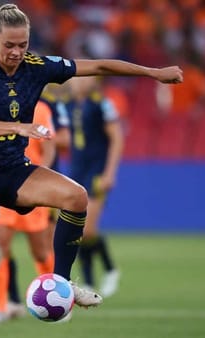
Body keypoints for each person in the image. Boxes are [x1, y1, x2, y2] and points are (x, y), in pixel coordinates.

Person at [0, 4, 183, 337]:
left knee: (76, 197)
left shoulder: (38, 66)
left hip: (14, 168)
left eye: (23, 45)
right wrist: (20, 128)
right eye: (9, 45)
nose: (16, 52)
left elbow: (100, 64)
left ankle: (61, 282)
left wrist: (154, 73)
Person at [0, 99, 56, 325]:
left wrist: (41, 179)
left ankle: (58, 299)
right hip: (4, 186)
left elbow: (50, 147)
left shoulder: (40, 109)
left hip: (32, 186)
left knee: (41, 252)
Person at [64, 76, 124, 298]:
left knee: (88, 229)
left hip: (97, 171)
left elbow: (117, 137)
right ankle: (88, 283)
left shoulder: (102, 104)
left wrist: (110, 172)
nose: (79, 82)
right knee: (78, 229)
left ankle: (110, 269)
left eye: (85, 77)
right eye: (76, 78)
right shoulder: (67, 105)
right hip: (76, 171)